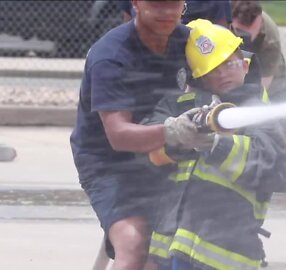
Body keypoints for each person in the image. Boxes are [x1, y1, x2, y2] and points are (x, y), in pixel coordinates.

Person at [144, 19, 286, 270]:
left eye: (228, 64)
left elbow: (272, 168)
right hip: (170, 244)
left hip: (225, 250)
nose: (222, 74)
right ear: (199, 77)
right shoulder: (178, 106)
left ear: (245, 64)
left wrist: (216, 144)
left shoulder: (257, 113)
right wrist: (176, 133)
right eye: (212, 70)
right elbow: (146, 147)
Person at [70, 1, 198, 269]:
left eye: (173, 4)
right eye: (156, 4)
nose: (166, 12)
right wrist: (173, 131)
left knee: (177, 243)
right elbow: (118, 136)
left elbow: (232, 69)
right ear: (136, 3)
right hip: (110, 163)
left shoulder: (190, 42)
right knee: (134, 242)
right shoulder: (112, 55)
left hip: (166, 154)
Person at [231, 1, 286, 268]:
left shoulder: (269, 35)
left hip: (271, 94)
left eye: (251, 32)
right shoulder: (220, 21)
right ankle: (245, 240)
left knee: (284, 165)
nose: (245, 38)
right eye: (239, 31)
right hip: (231, 90)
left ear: (260, 22)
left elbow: (261, 91)